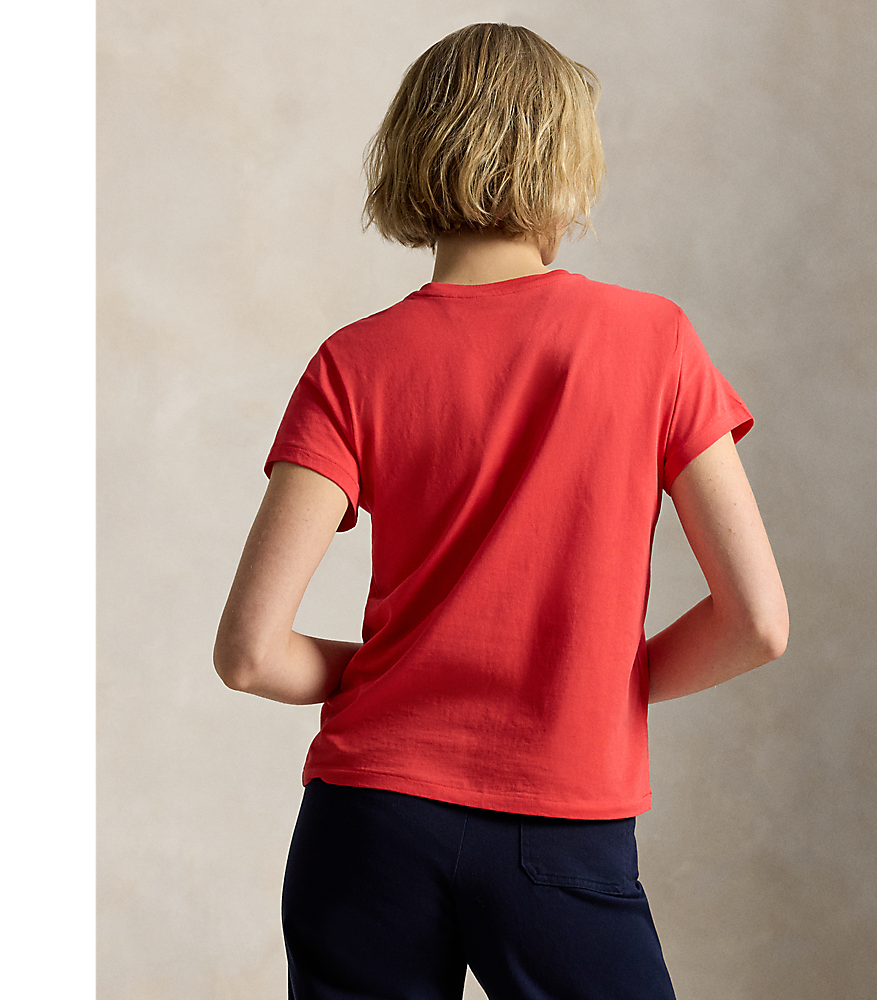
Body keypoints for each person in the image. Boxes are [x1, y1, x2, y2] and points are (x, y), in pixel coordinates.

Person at [214, 22, 788, 1000]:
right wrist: (586, 683)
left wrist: (413, 674)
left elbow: (249, 654)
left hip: (367, 823)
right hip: (561, 819)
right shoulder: (654, 340)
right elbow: (757, 623)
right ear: (565, 163)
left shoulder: (352, 362)